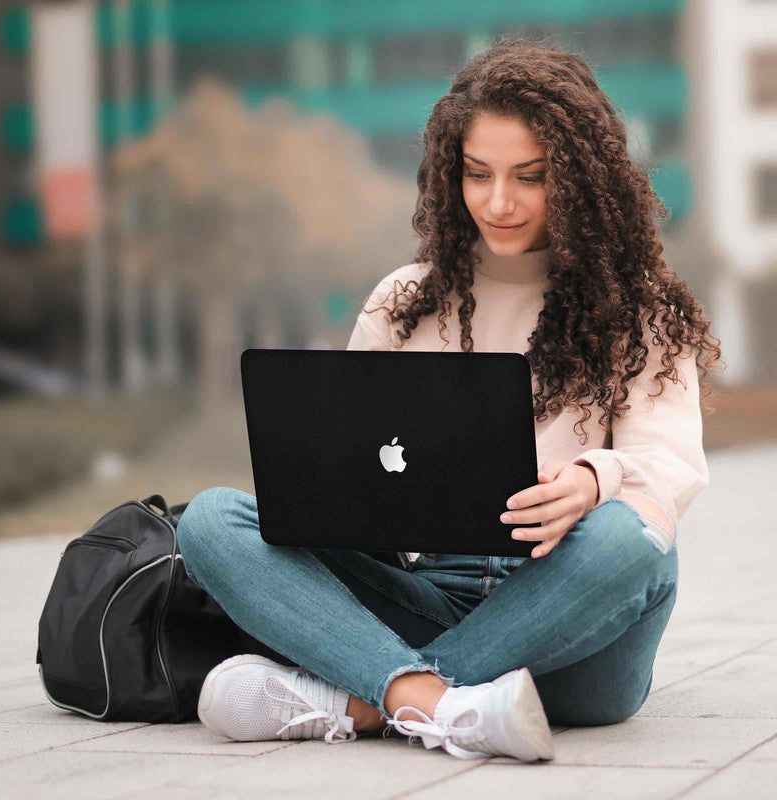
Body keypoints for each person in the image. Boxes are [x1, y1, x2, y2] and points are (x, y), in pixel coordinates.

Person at [176, 38, 722, 762]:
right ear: (450, 173)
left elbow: (671, 463)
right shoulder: (405, 301)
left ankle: (370, 701)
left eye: (531, 177)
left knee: (640, 541)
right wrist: (335, 499)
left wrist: (595, 481)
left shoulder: (639, 308)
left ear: (585, 180)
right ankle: (443, 707)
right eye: (478, 174)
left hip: (575, 629)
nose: (499, 202)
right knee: (212, 520)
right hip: (425, 594)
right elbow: (346, 464)